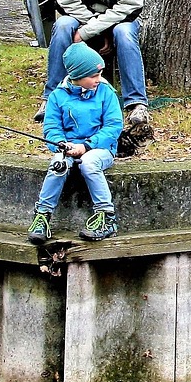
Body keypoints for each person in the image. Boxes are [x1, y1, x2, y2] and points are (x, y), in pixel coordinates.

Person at [39, 0, 148, 130]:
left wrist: (93, 30)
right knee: (62, 25)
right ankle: (51, 97)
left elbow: (130, 5)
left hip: (118, 19)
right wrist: (93, 29)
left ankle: (137, 103)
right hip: (81, 17)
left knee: (125, 33)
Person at [28, 42, 124, 244]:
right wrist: (61, 144)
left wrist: (87, 146)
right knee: (58, 165)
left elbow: (114, 127)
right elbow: (52, 129)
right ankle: (42, 216)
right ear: (77, 76)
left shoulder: (106, 93)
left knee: (89, 163)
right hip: (70, 148)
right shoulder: (57, 96)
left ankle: (106, 217)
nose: (99, 79)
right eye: (93, 76)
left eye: (99, 74)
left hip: (99, 148)